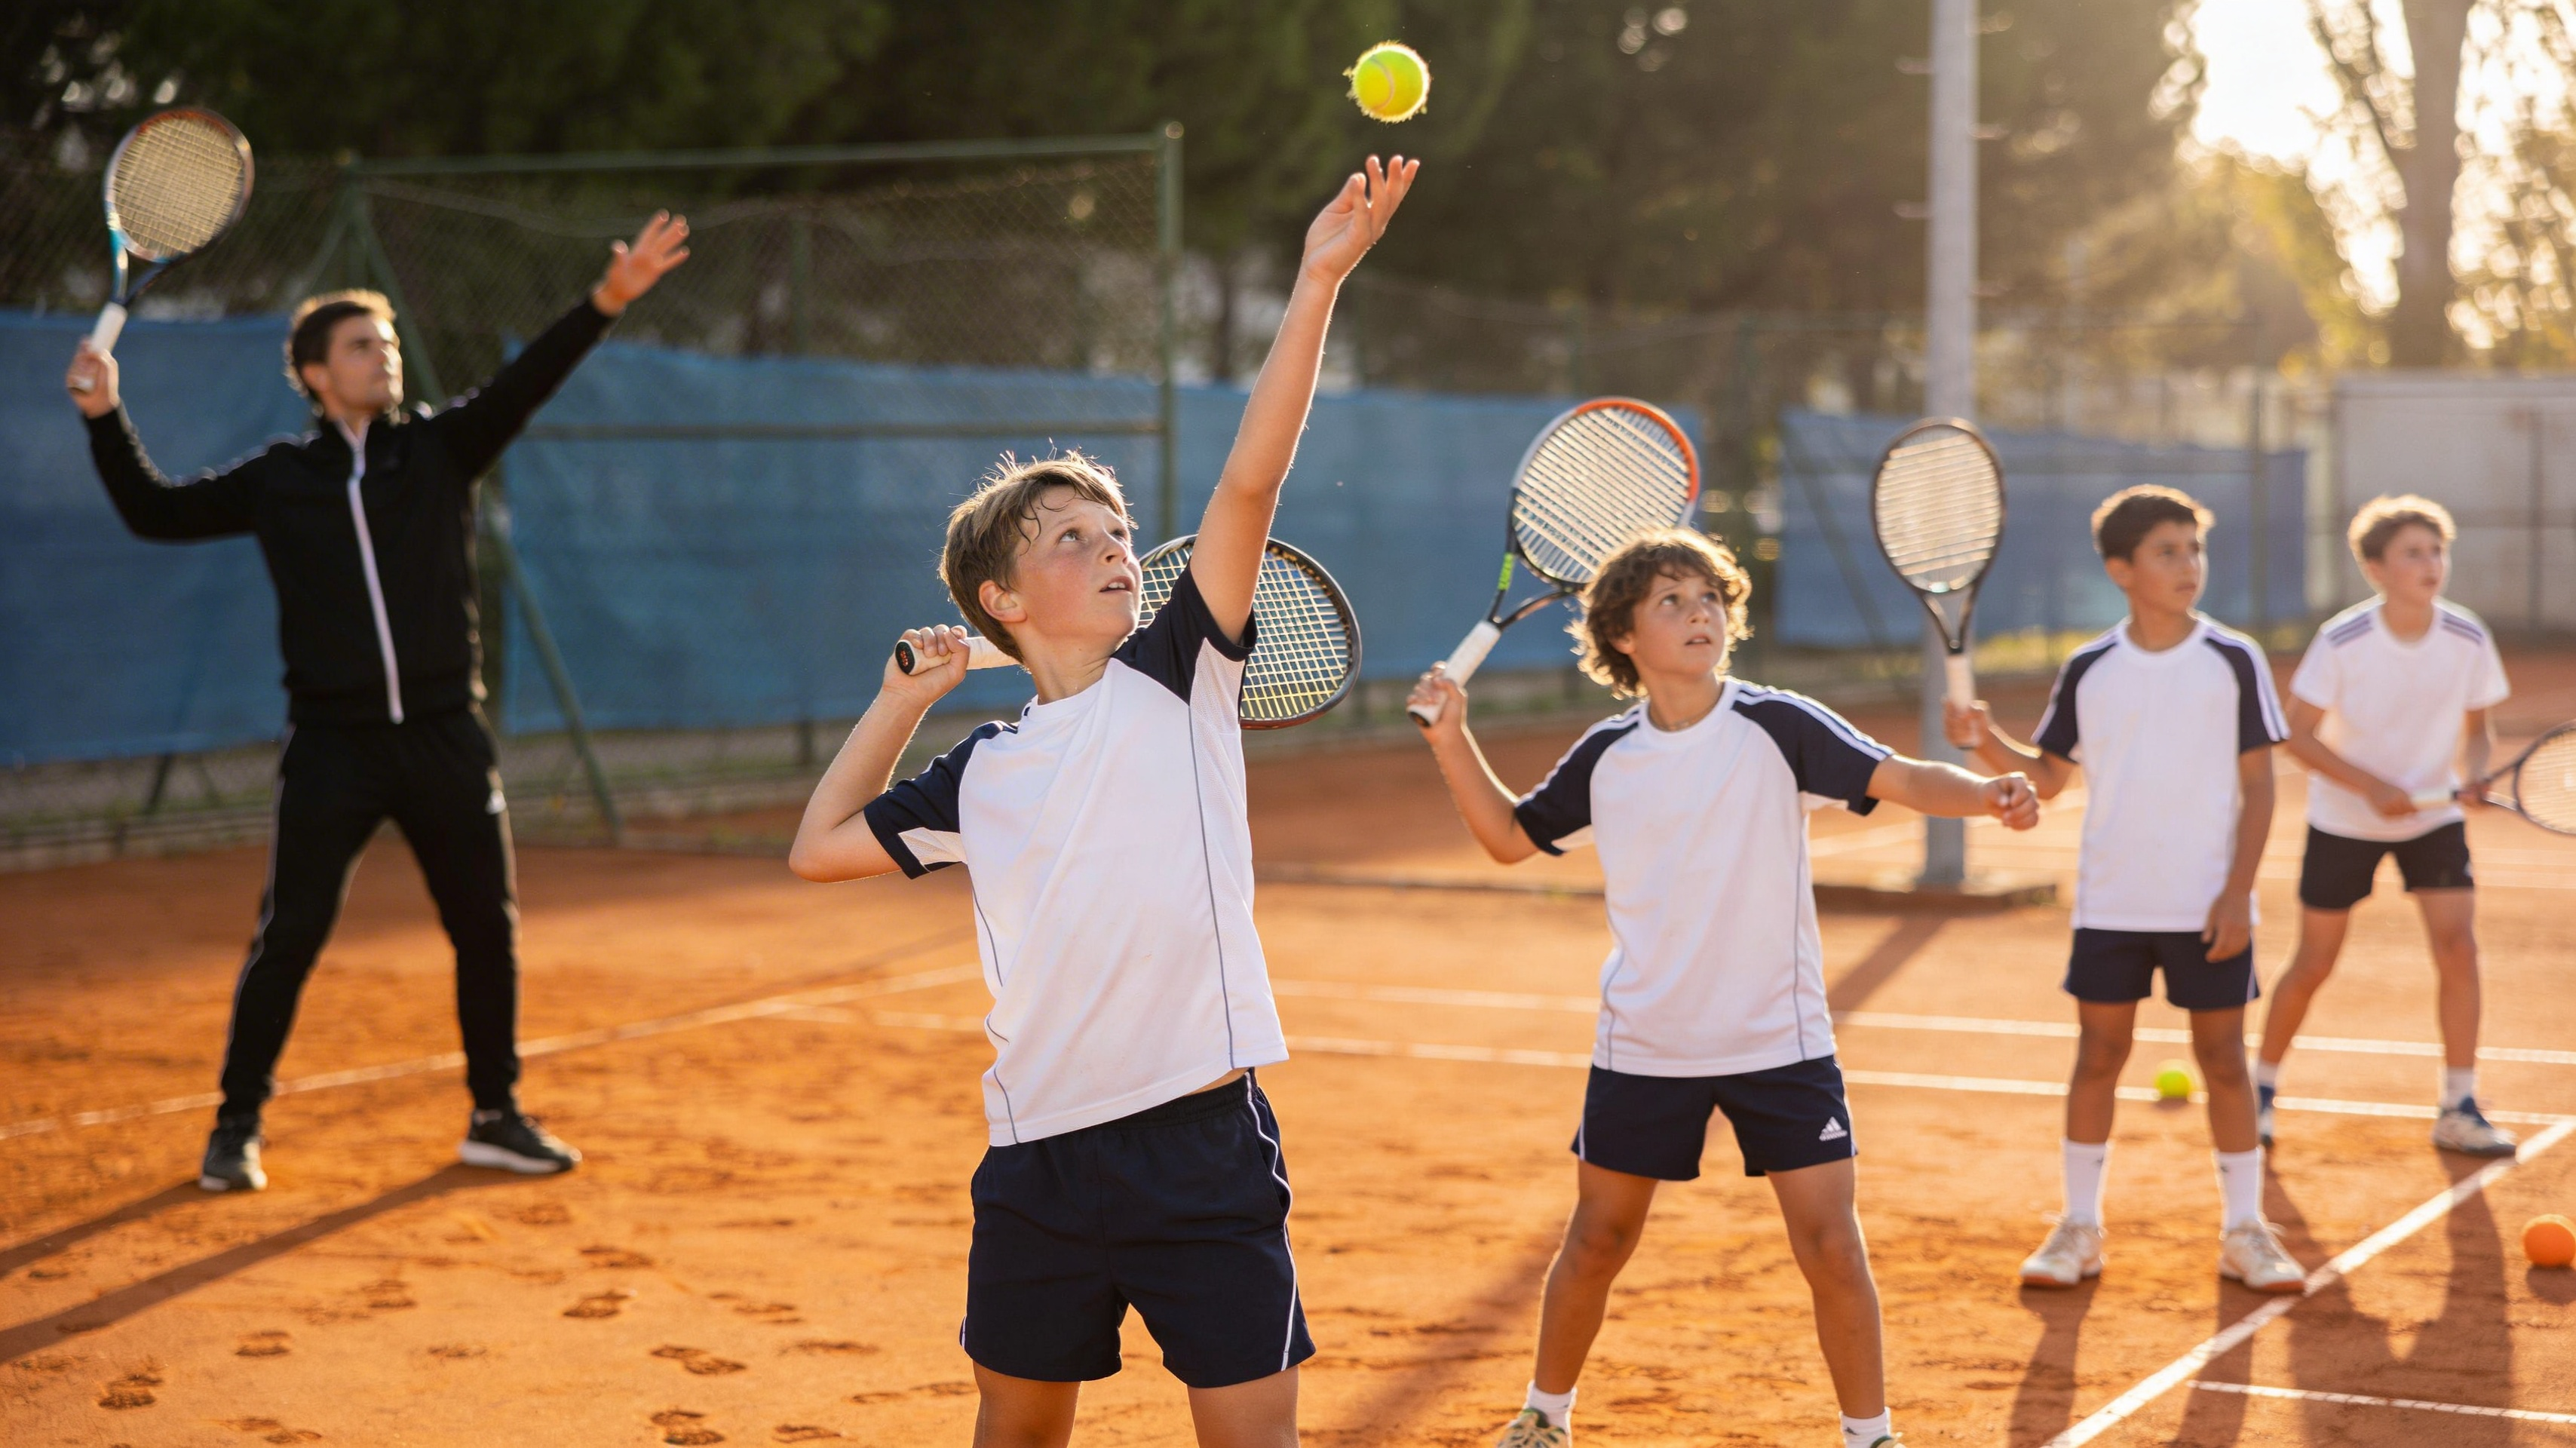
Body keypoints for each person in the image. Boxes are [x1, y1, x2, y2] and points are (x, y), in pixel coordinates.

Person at [787, 156, 1415, 1448]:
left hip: (1201, 1143)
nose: (1114, 546)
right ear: (1001, 604)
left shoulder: (1182, 677)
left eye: (1117, 529)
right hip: (1039, 1159)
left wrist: (1316, 281)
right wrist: (902, 702)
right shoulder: (985, 770)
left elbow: (1246, 487)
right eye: (1069, 538)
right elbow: (818, 850)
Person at [66, 213, 694, 1193]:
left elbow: (531, 383)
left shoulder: (442, 452)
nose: (382, 357)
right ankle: (236, 1127)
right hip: (334, 746)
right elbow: (156, 513)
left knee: (485, 926)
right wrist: (105, 419)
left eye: (389, 343)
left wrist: (605, 302)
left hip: (447, 736)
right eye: (363, 345)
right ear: (315, 372)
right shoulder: (281, 482)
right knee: (293, 935)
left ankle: (496, 1115)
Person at [1407, 529, 2041, 1448]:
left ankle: (1870, 1436)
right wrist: (1451, 739)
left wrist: (1986, 795)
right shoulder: (1606, 755)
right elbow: (1509, 839)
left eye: (1709, 598)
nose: (1697, 613)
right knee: (1595, 1242)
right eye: (1670, 600)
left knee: (1829, 1244)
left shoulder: (1776, 724)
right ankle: (1543, 1418)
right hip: (1646, 1044)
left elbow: (1899, 777)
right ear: (1622, 635)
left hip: (1777, 1043)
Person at [1947, 485, 2307, 1293]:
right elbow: (2048, 777)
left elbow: (2260, 789)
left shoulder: (2232, 658)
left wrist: (2234, 896)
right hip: (2110, 902)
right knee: (2097, 1056)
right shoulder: (2089, 667)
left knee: (2221, 1061)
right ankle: (2078, 1228)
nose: (2188, 566)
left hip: (2208, 904)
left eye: (2194, 549)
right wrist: (1982, 743)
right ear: (2120, 570)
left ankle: (2243, 1230)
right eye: (2166, 552)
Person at [2254, 495, 2516, 1156]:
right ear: (2376, 568)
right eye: (2413, 553)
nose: (2431, 564)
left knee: (2459, 949)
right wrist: (2368, 787)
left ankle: (2459, 1103)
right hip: (2343, 820)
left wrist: (2476, 774)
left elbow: (2478, 733)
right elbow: (2299, 736)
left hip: (2434, 819)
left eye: (2437, 550)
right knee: (2314, 961)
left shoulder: (2466, 636)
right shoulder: (2344, 641)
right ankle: (2258, 1087)